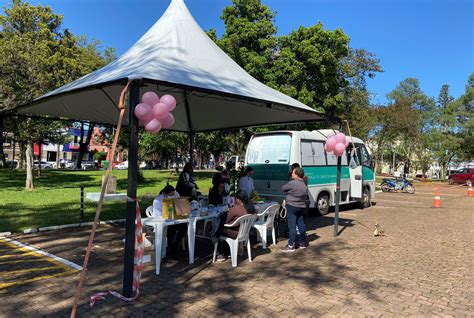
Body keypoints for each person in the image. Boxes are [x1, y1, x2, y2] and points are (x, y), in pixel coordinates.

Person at [213, 190, 252, 261]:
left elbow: (226, 221)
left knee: (216, 230)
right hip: (245, 232)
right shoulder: (250, 207)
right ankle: (227, 251)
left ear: (238, 199)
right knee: (221, 229)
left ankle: (220, 253)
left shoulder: (236, 208)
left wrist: (228, 211)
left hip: (235, 233)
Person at [152, 184, 187, 255]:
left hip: (176, 218)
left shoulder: (175, 194)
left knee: (184, 226)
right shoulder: (158, 200)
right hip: (165, 220)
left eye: (174, 193)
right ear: (168, 192)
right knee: (172, 229)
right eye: (172, 193)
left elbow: (179, 203)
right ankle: (171, 246)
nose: (174, 194)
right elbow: (157, 215)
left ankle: (176, 242)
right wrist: (169, 215)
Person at [281, 167, 308, 252]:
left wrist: (289, 193)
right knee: (301, 224)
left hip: (292, 206)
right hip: (301, 207)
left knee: (292, 226)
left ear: (296, 174)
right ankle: (303, 242)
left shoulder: (292, 183)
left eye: (292, 173)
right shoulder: (304, 185)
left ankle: (290, 245)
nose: (291, 174)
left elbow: (283, 188)